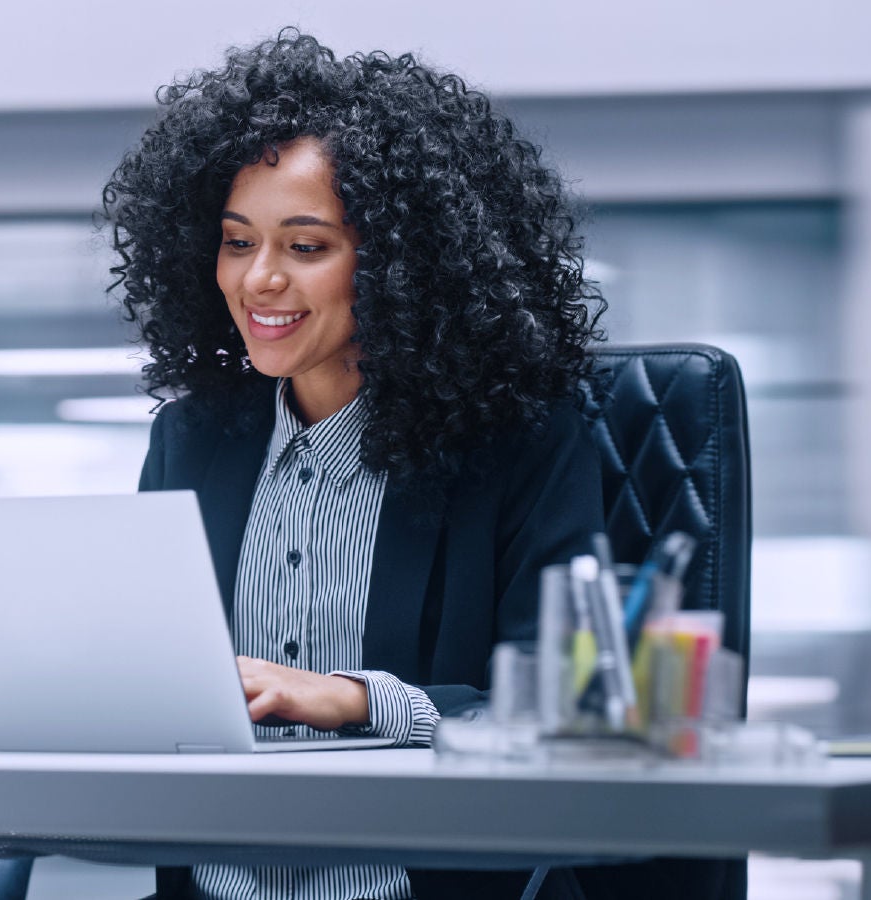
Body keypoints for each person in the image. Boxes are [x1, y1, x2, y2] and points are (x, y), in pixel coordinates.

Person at [99, 28, 735, 900]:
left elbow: (567, 713)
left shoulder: (518, 443)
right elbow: (151, 682)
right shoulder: (191, 440)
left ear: (401, 266)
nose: (259, 281)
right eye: (238, 242)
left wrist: (355, 700)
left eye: (307, 246)